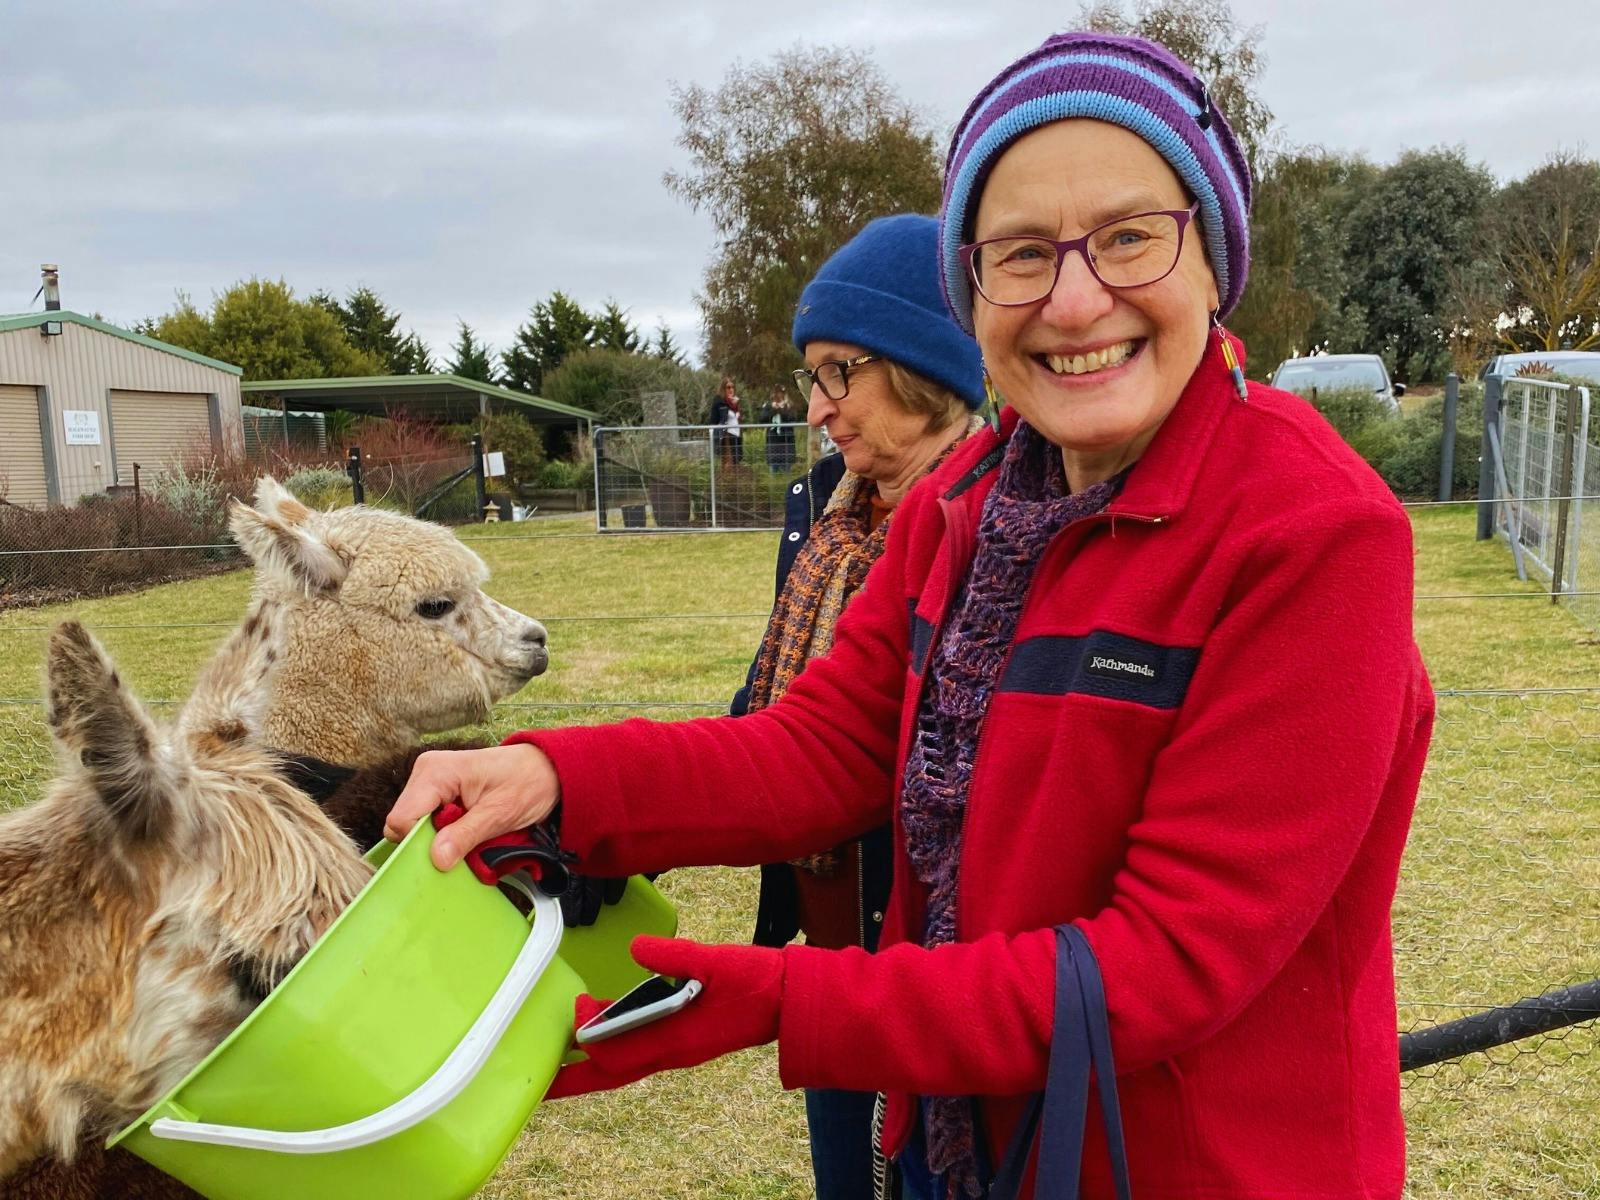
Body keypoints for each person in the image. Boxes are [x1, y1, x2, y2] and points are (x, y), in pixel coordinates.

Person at [388, 31, 1433, 1200]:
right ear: (970, 289)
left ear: (1210, 256)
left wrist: (786, 1001)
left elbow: (1165, 965)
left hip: (1191, 1165)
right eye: (1020, 253)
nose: (1076, 298)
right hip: (960, 1137)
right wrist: (559, 780)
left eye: (1131, 236)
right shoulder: (963, 502)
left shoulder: (1313, 534)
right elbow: (823, 745)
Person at [730, 213, 986, 1200]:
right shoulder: (823, 512)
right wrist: (627, 819)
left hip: (932, 958)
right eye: (812, 374)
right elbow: (770, 697)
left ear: (923, 369)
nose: (817, 404)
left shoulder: (996, 523)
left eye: (840, 371)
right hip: (829, 932)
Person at [763, 385, 799, 472]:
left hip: (786, 442)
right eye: (776, 393)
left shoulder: (789, 406)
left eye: (780, 393)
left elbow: (792, 419)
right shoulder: (768, 406)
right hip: (773, 442)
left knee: (787, 470)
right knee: (773, 470)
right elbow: (762, 419)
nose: (778, 395)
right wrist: (773, 410)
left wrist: (781, 409)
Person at [710, 376, 744, 467]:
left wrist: (735, 405)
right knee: (728, 464)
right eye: (728, 387)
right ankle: (727, 480)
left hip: (737, 435)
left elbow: (738, 419)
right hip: (726, 436)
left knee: (737, 462)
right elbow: (715, 420)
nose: (731, 389)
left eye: (732, 387)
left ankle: (733, 480)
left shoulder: (735, 402)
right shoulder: (719, 401)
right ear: (723, 388)